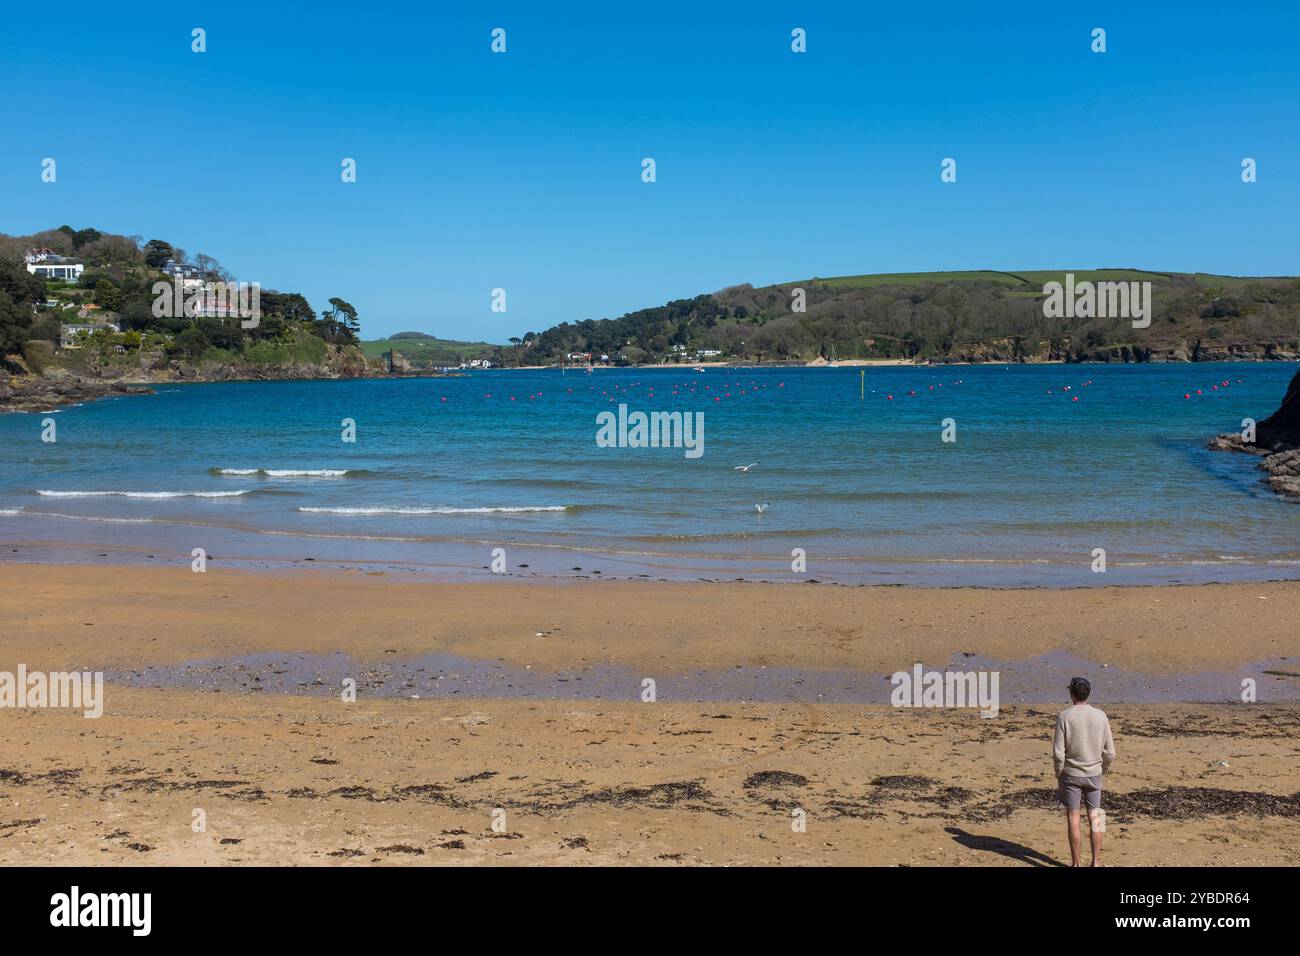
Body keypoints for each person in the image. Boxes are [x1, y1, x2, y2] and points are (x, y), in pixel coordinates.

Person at [1052, 676, 1115, 867]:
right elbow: (1110, 752)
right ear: (1088, 693)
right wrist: (1102, 769)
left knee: (1073, 816)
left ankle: (1076, 863)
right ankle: (1096, 861)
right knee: (1097, 815)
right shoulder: (1101, 716)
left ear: (1072, 693)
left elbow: (1058, 753)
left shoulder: (1064, 716)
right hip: (1094, 773)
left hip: (1071, 774)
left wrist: (1058, 773)